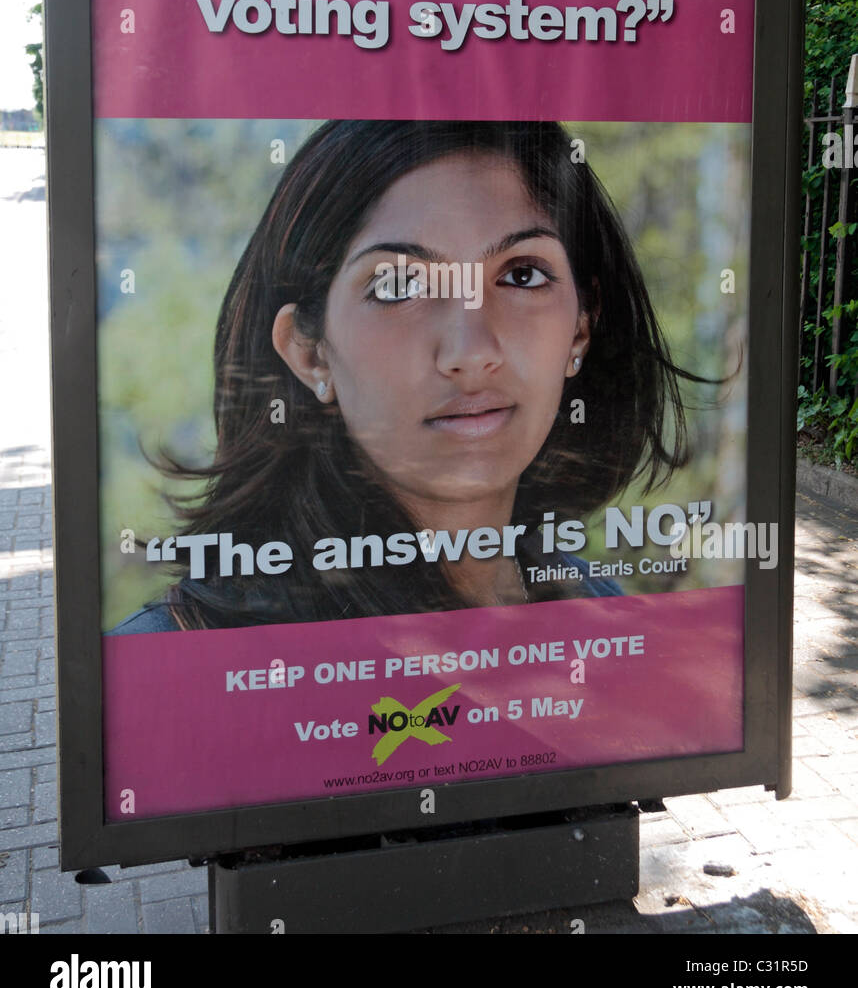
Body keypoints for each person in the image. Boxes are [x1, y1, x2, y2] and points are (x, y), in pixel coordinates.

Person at [109, 120, 693, 633]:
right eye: (399, 285)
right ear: (311, 353)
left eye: (520, 275)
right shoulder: (177, 657)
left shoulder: (604, 613)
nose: (471, 351)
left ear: (581, 329)